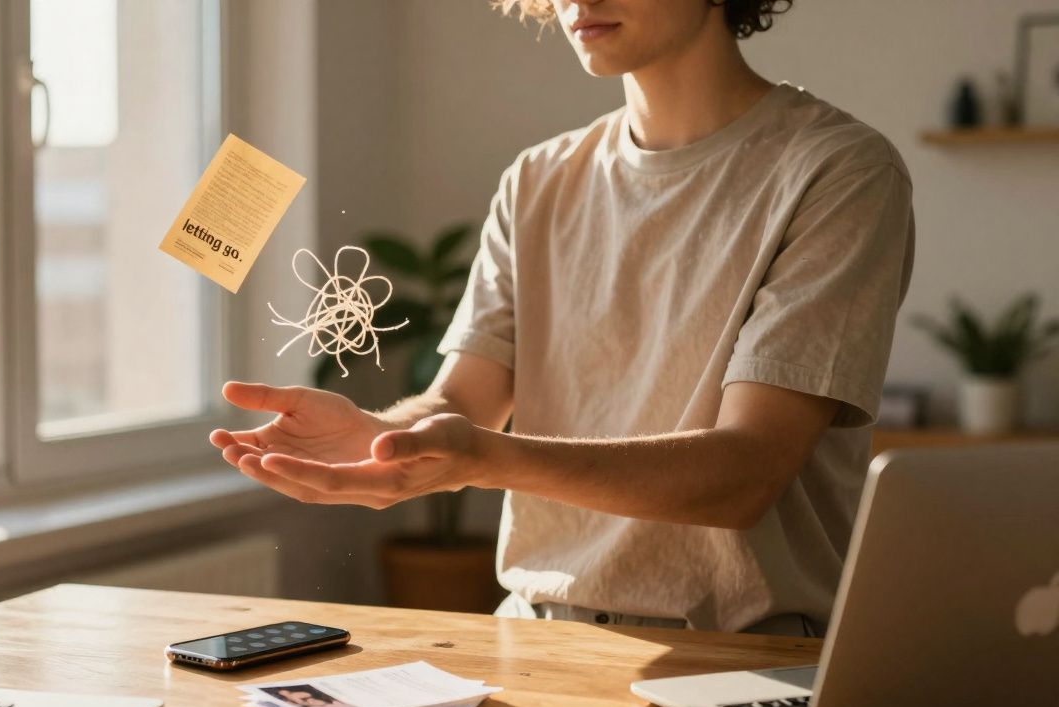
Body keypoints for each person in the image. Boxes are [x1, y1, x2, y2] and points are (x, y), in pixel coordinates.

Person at [211, 0, 914, 636]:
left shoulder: (838, 172)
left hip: (739, 655)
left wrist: (481, 460)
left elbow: (746, 474)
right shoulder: (537, 179)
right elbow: (461, 403)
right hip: (534, 640)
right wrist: (380, 436)